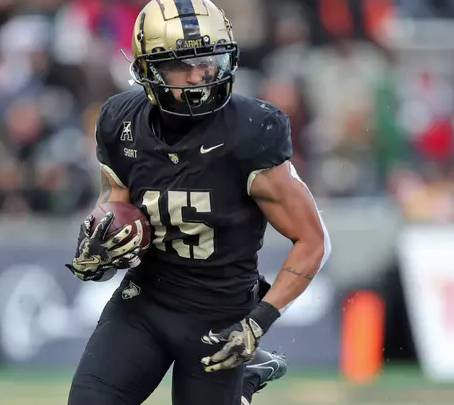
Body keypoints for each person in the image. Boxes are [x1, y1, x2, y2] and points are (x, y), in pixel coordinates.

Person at [65, 0, 331, 404]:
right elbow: (117, 211)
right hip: (146, 303)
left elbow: (313, 241)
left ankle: (244, 377)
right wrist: (97, 253)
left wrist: (257, 323)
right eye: (180, 65)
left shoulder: (250, 131)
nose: (198, 76)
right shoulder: (122, 122)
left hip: (221, 316)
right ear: (148, 70)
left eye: (207, 61)